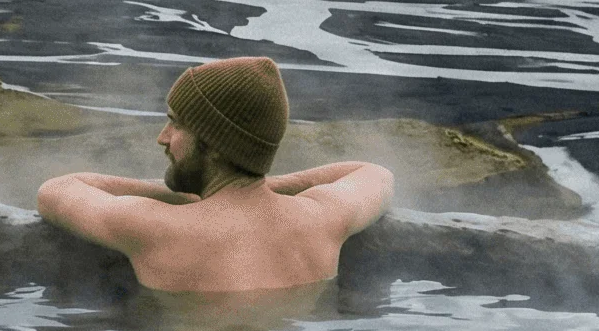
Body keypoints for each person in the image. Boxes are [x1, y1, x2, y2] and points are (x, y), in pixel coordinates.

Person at [36, 56, 392, 293]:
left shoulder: (153, 226)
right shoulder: (323, 218)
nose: (163, 137)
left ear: (218, 144)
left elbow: (55, 190)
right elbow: (374, 173)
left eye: (176, 124)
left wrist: (173, 195)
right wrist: (264, 185)